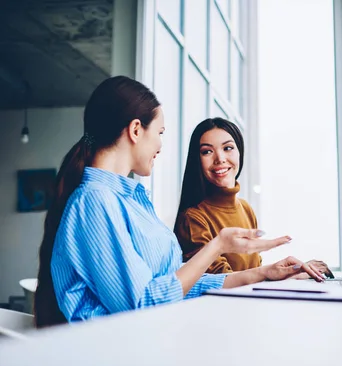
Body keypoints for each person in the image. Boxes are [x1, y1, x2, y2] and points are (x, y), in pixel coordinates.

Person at [34, 76, 324, 328]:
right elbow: (142, 306)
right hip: (120, 359)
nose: (160, 145)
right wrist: (217, 246)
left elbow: (174, 287)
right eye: (159, 133)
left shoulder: (130, 201)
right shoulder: (95, 203)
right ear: (136, 130)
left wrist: (262, 274)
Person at [174, 117, 333, 278]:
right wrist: (291, 274)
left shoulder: (245, 208)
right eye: (207, 151)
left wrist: (291, 272)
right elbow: (222, 281)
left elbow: (254, 271)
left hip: (250, 302)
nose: (220, 158)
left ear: (239, 152)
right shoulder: (192, 219)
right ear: (197, 160)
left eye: (228, 148)